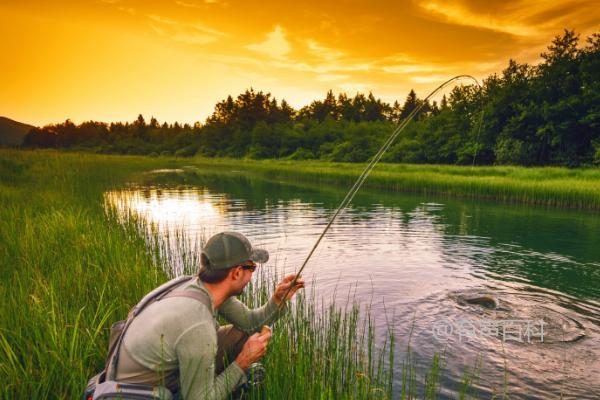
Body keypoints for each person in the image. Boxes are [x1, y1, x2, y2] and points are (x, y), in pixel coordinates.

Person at [107, 231, 304, 399]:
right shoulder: (197, 323)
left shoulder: (196, 286)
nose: (253, 274)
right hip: (137, 393)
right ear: (236, 273)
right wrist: (242, 362)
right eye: (251, 267)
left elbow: (249, 324)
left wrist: (278, 299)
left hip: (152, 374)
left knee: (239, 335)